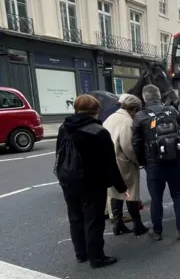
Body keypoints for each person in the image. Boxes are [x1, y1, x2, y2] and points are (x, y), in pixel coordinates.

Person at [56, 94, 128, 268]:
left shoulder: (64, 128)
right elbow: (110, 163)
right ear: (96, 111)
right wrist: (121, 187)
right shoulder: (99, 132)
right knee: (94, 220)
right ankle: (97, 257)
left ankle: (81, 253)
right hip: (92, 182)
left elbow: (59, 153)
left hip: (68, 179)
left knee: (75, 217)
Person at [132, 84, 180, 241]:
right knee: (178, 195)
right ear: (159, 96)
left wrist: (143, 162)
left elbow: (136, 143)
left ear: (144, 98)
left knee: (156, 198)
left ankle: (157, 231)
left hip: (154, 164)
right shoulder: (173, 111)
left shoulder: (140, 116)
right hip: (174, 161)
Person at [103, 94, 148, 237]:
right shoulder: (127, 122)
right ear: (133, 109)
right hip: (123, 163)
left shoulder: (110, 118)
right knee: (130, 194)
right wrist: (138, 160)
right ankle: (137, 224)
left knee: (116, 193)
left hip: (109, 162)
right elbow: (129, 147)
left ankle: (118, 223)